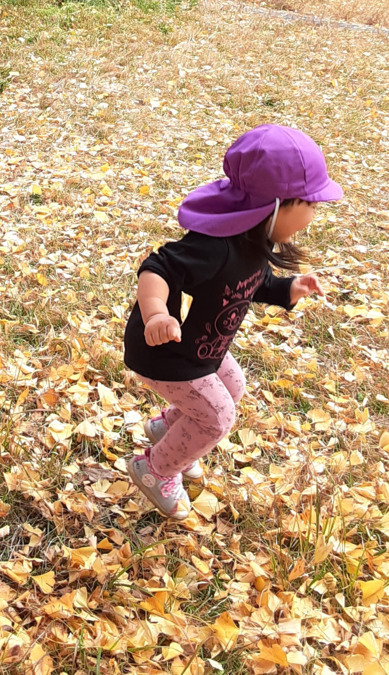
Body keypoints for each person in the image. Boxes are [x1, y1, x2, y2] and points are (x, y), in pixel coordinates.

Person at [123, 124, 343, 520]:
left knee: (233, 386)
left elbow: (249, 284)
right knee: (218, 417)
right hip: (165, 353)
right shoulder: (215, 247)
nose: (314, 214)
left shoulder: (253, 240)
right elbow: (157, 267)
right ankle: (155, 468)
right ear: (276, 205)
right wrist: (157, 312)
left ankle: (170, 431)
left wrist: (287, 288)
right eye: (310, 204)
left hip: (202, 350)